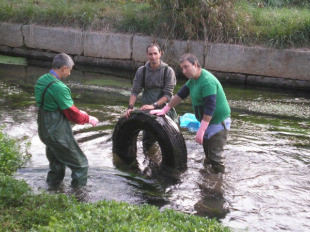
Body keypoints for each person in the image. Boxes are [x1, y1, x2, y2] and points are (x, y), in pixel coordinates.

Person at [151, 53, 231, 173]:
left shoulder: (207, 81)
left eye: (186, 67)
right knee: (208, 156)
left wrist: (202, 130)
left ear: (195, 65)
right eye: (182, 68)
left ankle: (221, 182)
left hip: (219, 123)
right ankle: (208, 176)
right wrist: (164, 110)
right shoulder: (193, 80)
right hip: (207, 122)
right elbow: (180, 95)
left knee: (215, 157)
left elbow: (210, 107)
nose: (183, 71)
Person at [35, 53, 99, 188]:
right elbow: (72, 114)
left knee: (57, 163)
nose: (69, 73)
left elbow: (53, 104)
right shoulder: (60, 87)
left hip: (44, 130)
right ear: (64, 68)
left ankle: (52, 190)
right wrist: (88, 118)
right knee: (81, 165)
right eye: (69, 70)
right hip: (56, 132)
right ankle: (79, 197)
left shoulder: (41, 80)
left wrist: (78, 111)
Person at [125, 43, 178, 150]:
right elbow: (135, 91)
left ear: (160, 54)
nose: (153, 56)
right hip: (148, 112)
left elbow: (168, 94)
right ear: (147, 55)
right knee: (147, 144)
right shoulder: (142, 71)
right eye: (150, 54)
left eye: (155, 53)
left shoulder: (168, 71)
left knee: (170, 144)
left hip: (165, 111)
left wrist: (153, 106)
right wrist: (130, 108)